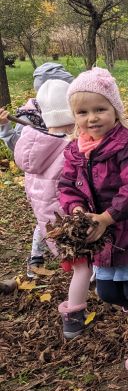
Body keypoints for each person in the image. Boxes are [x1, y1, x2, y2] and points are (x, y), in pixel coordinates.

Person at [58, 68, 128, 373]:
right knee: (107, 291)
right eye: (83, 112)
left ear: (115, 110)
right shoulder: (75, 150)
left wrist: (108, 217)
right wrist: (78, 212)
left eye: (100, 109)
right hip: (99, 234)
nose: (92, 118)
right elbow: (67, 186)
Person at [0, 62, 74, 277]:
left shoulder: (69, 106)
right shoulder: (29, 115)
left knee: (47, 216)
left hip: (60, 172)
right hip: (42, 174)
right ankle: (37, 256)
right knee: (48, 217)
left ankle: (37, 256)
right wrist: (5, 128)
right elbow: (18, 146)